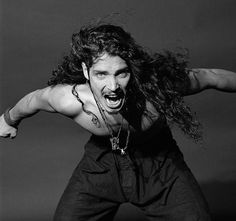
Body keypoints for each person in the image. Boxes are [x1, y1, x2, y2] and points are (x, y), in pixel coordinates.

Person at [1, 23, 236, 221]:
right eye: (101, 74)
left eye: (121, 73)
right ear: (86, 70)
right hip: (100, 165)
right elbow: (33, 100)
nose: (113, 87)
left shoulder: (158, 88)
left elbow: (211, 77)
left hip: (160, 163)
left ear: (131, 70)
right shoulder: (69, 99)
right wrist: (8, 119)